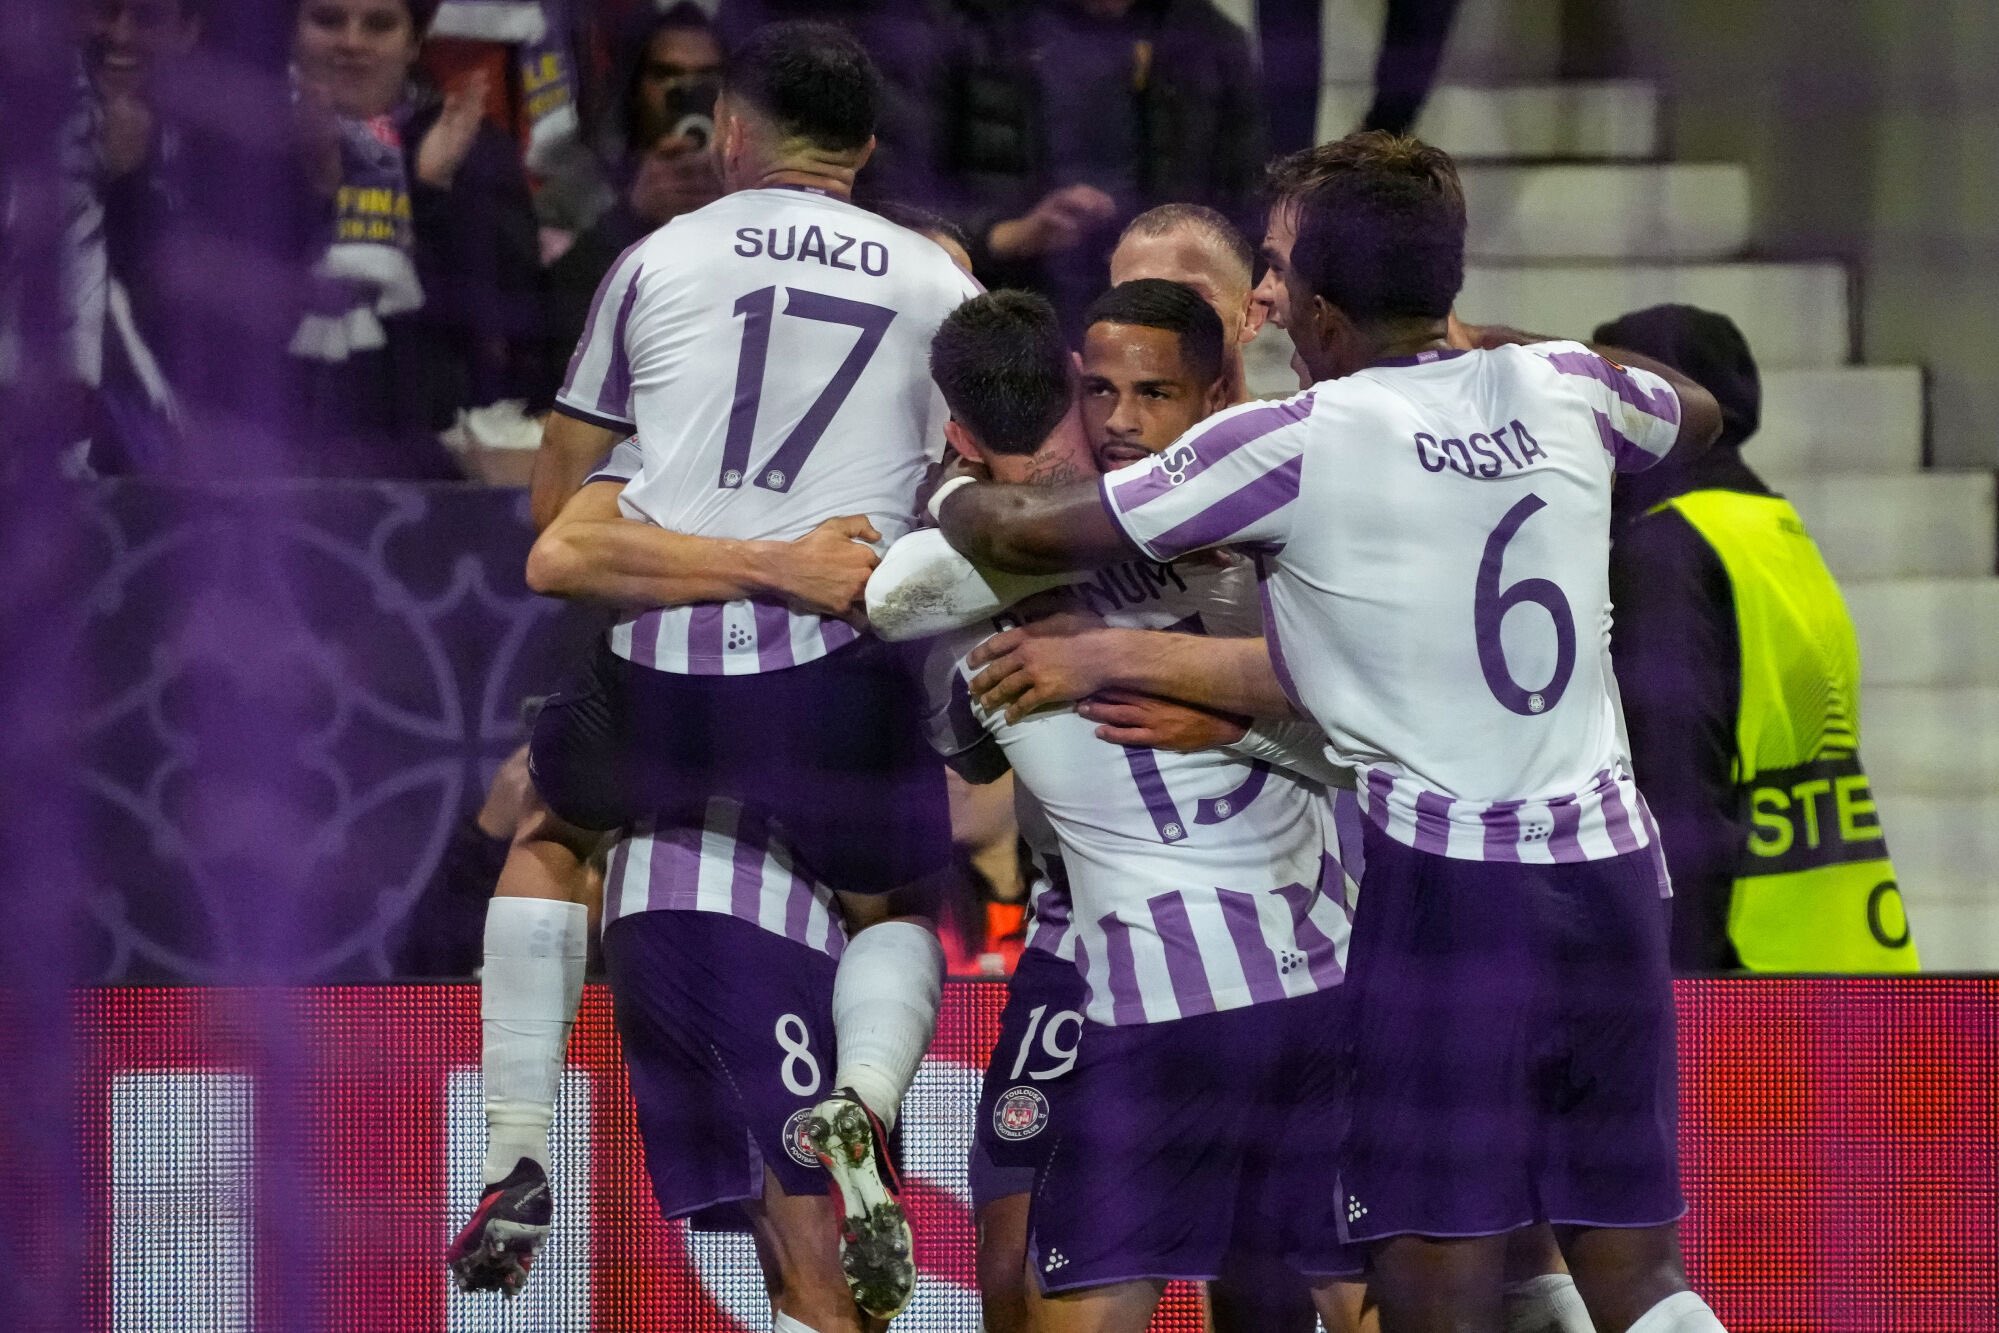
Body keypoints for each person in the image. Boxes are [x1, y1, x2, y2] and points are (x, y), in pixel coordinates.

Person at [931, 131, 1732, 1333]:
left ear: (1321, 308)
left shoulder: (1293, 442)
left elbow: (1026, 533)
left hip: (1452, 898)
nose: (1266, 293)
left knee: (1431, 1290)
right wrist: (1485, 337)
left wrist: (948, 490)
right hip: (1614, 874)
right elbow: (1697, 412)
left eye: (1278, 266)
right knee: (1637, 1272)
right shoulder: (1566, 383)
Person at [454, 25, 980, 1327]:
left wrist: (677, 494)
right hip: (829, 674)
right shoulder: (939, 282)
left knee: (550, 826)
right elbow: (971, 489)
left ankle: (515, 1142)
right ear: (864, 148)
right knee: (899, 896)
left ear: (732, 132)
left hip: (663, 676)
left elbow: (556, 509)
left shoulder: (657, 255)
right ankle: (861, 1097)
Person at [919, 287, 1364, 1333]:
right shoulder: (1275, 544)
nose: (1121, 420)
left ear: (1217, 396)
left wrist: (953, 493)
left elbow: (910, 617)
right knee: (1344, 1281)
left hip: (1179, 996)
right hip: (1271, 973)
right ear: (1071, 388)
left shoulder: (960, 593)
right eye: (1102, 393)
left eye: (1152, 393)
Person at [1598, 303, 1918, 974]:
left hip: (1742, 980)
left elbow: (1681, 799)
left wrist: (1677, 987)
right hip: (1845, 957)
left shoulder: (1665, 549)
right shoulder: (1772, 526)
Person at [289, 0, 549, 478]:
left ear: (415, 40)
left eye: (379, 25)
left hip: (432, 463)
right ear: (293, 30)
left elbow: (505, 320)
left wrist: (429, 191)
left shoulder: (473, 148)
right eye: (328, 20)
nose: (352, 42)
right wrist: (314, 189)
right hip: (275, 458)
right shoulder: (246, 144)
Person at [940, 0, 1266, 331]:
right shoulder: (969, 27)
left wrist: (1178, 260)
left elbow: (1247, 210)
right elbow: (913, 202)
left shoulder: (1208, 39)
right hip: (1001, 311)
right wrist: (1008, 236)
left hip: (1162, 319)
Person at [545, 3, 723, 357]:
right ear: (637, 85)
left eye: (707, 77)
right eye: (666, 74)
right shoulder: (576, 193)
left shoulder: (759, 182)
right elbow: (554, 320)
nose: (686, 91)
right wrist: (632, 216)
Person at [1107, 203, 1265, 405]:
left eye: (1186, 296)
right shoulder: (1088, 421)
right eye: (1134, 298)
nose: (1156, 317)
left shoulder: (1291, 424)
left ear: (1250, 316)